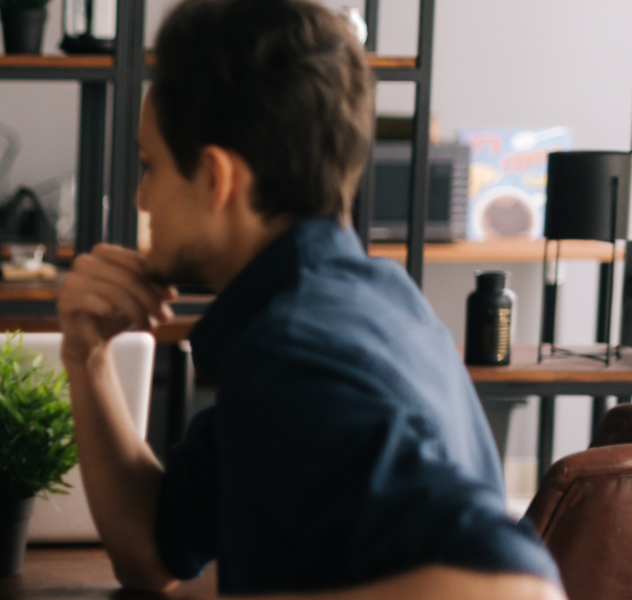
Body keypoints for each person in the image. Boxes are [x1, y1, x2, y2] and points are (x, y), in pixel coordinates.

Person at [56, 1, 564, 598]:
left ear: (217, 178)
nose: (142, 200)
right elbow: (150, 551)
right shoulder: (364, 306)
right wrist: (86, 359)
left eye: (150, 166)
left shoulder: (295, 357)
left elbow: (519, 590)